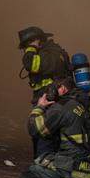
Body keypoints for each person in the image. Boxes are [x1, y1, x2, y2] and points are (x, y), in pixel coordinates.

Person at [17, 26, 72, 158]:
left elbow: (31, 64)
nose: (26, 49)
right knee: (39, 130)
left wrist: (32, 47)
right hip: (45, 96)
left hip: (50, 97)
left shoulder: (51, 53)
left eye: (27, 45)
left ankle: (43, 167)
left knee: (44, 132)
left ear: (36, 41)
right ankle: (40, 165)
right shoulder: (48, 53)